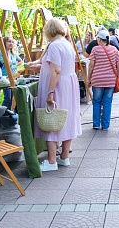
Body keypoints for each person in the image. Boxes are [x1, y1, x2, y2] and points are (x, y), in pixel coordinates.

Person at [29, 18, 81, 171]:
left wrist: (50, 92)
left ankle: (52, 161)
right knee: (66, 118)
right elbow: (55, 66)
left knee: (51, 118)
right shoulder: (67, 45)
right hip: (69, 85)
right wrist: (37, 66)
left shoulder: (54, 46)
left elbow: (56, 70)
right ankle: (64, 156)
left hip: (58, 86)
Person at [87, 30, 119, 130]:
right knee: (107, 102)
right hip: (110, 80)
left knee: (97, 101)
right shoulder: (114, 50)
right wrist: (117, 75)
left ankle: (96, 124)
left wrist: (89, 78)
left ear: (99, 39)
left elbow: (91, 64)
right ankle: (105, 125)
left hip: (97, 79)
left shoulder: (95, 49)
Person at [0, 37, 23, 108]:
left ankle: (8, 114)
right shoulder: (2, 52)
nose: (11, 43)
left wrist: (15, 64)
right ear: (5, 43)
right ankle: (2, 113)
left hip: (13, 76)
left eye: (12, 42)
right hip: (6, 77)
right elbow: (8, 63)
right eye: (9, 42)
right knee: (8, 97)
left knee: (12, 97)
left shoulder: (13, 53)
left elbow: (20, 61)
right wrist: (8, 52)